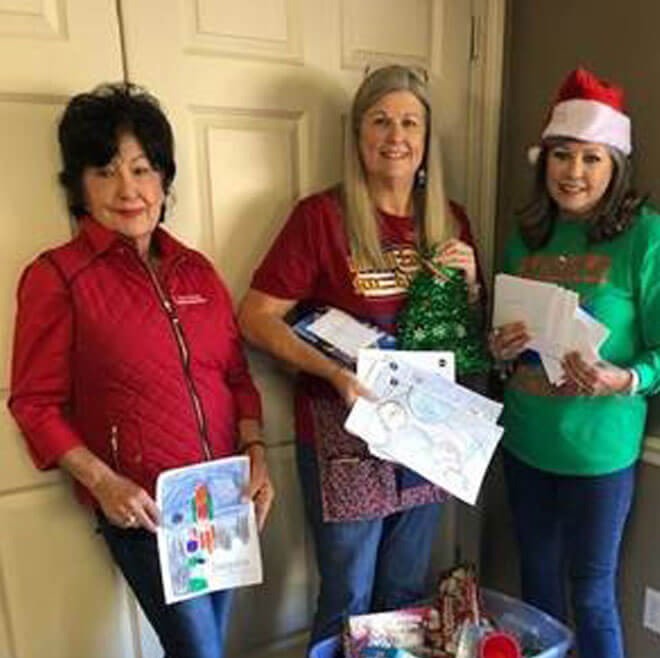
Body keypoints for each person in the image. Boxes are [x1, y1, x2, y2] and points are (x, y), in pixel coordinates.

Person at [8, 83, 274, 658]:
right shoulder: (57, 277)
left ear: (163, 180)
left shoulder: (197, 270)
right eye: (105, 171)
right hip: (146, 514)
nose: (128, 189)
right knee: (200, 653)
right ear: (78, 184)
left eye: (142, 168)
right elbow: (33, 403)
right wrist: (103, 483)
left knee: (208, 648)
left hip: (223, 502)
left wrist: (257, 454)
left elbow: (235, 376)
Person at [238, 64, 485, 646]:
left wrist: (471, 287)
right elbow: (254, 316)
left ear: (426, 139)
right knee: (349, 594)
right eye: (380, 120)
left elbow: (467, 338)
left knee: (404, 594)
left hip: (428, 429)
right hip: (344, 429)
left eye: (409, 122)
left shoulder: (449, 221)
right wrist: (332, 372)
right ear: (358, 136)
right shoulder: (320, 217)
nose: (395, 135)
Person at [490, 68, 660, 658]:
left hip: (600, 452)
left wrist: (627, 377)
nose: (574, 172)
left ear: (615, 165)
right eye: (562, 156)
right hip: (525, 441)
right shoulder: (526, 234)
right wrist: (500, 349)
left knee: (591, 598)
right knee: (537, 595)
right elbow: (507, 340)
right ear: (546, 161)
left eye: (591, 158)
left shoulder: (643, 236)